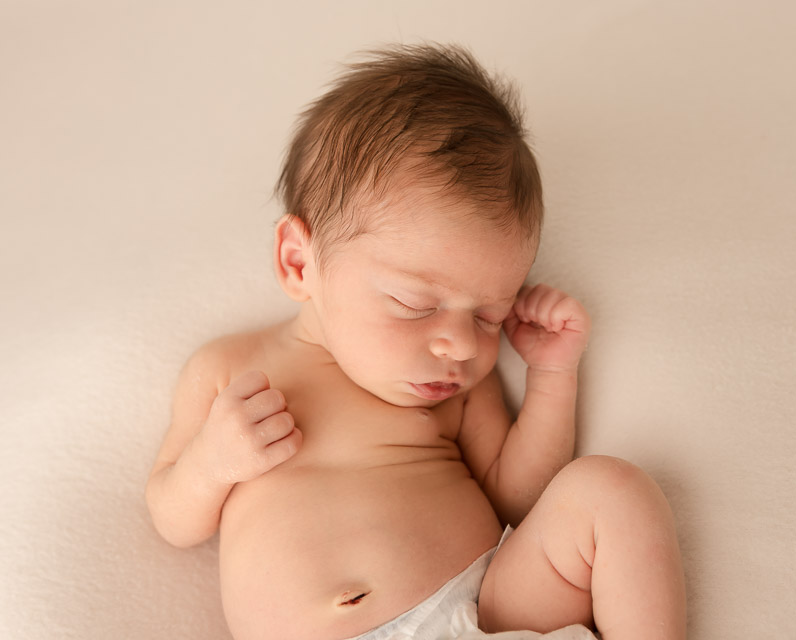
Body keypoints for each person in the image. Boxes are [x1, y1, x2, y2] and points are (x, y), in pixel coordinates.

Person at [145, 44, 686, 640]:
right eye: (414, 305)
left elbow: (520, 501)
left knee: (612, 490)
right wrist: (210, 465)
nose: (457, 345)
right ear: (300, 262)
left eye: (488, 315)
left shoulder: (454, 394)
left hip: (487, 613)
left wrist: (552, 378)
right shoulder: (231, 370)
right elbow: (172, 517)